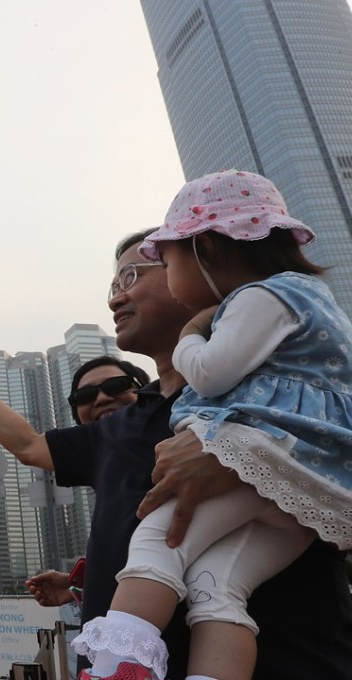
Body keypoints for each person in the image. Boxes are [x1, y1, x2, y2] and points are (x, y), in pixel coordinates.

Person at [0, 228, 352, 679]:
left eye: (132, 277)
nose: (116, 299)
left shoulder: (274, 393)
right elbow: (28, 445)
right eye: (83, 396)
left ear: (198, 272)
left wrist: (247, 458)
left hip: (291, 660)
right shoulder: (117, 430)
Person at [72, 170, 352, 680]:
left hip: (261, 451)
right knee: (217, 585)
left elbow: (212, 371)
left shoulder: (261, 297)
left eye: (163, 262)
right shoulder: (312, 307)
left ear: (206, 249)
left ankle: (117, 665)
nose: (115, 297)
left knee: (157, 542)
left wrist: (192, 333)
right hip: (306, 492)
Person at [26, 356, 150, 608]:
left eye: (116, 385)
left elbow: (26, 445)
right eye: (85, 396)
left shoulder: (182, 434)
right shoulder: (103, 459)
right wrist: (83, 583)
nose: (102, 398)